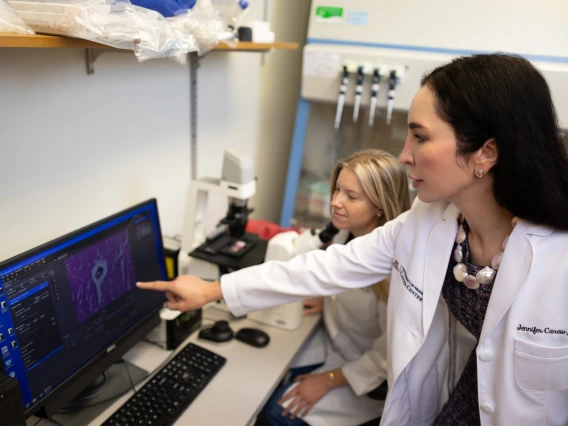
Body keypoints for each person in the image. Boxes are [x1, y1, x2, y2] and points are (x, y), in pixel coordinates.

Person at [138, 54, 568, 426]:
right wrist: (212, 290)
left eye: (420, 136)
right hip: (455, 400)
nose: (403, 155)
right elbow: (330, 266)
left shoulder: (558, 257)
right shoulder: (428, 222)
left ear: (485, 154)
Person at [262, 149, 410, 426]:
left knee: (277, 414)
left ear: (380, 206)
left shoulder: (395, 271)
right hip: (334, 345)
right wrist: (329, 297)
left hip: (366, 376)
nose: (335, 202)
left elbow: (386, 356)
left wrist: (328, 380)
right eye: (337, 190)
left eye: (351, 197)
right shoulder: (343, 233)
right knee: (265, 378)